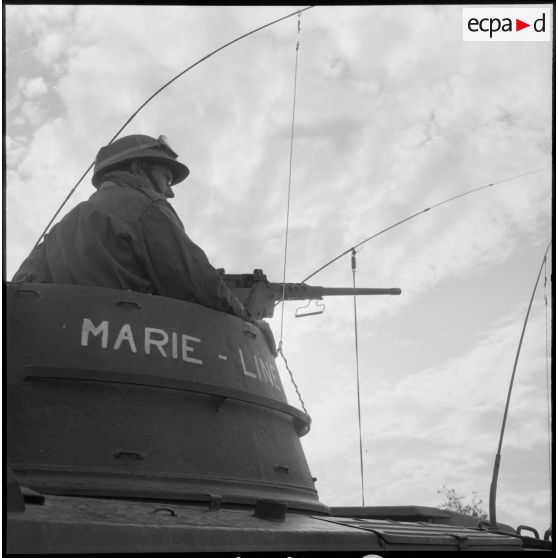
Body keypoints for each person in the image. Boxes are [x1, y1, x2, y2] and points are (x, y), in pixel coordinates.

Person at [13, 134, 276, 353]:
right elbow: (195, 282)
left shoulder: (65, 224)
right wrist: (250, 321)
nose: (169, 191)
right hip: (126, 362)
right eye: (166, 177)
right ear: (138, 168)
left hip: (64, 357)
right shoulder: (145, 205)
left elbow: (21, 289)